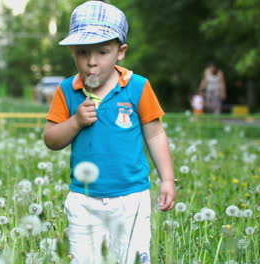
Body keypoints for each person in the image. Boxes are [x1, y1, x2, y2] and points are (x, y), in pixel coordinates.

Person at [43, 1, 175, 263]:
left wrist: (168, 179)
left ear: (120, 51)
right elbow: (51, 139)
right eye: (82, 53)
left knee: (131, 258)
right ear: (72, 52)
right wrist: (75, 122)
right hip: (84, 199)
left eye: (102, 52)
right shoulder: (67, 90)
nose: (92, 62)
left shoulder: (137, 87)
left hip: (131, 199)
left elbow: (155, 134)